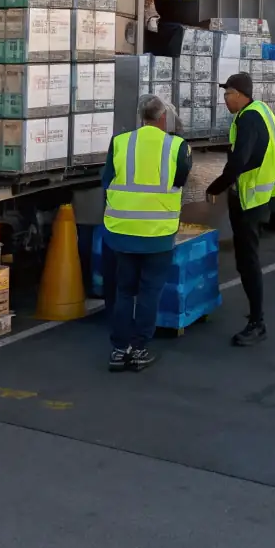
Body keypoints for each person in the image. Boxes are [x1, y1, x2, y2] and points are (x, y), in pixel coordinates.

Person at [102, 94, 192, 372]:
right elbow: (181, 180)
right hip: (157, 233)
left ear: (142, 117)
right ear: (164, 118)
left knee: (124, 292)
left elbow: (107, 180)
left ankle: (119, 350)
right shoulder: (177, 146)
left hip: (122, 230)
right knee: (149, 292)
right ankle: (139, 349)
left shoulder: (120, 142)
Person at [205, 71, 275, 346]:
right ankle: (255, 313)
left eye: (227, 94)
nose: (225, 99)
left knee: (248, 261)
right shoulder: (260, 111)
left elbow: (239, 162)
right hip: (258, 198)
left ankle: (257, 323)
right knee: (246, 260)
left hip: (250, 201)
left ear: (240, 95)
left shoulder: (249, 118)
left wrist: (215, 187)